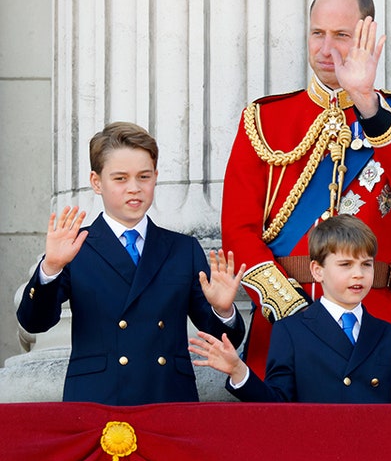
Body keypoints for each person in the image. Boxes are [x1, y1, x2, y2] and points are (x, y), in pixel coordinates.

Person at [222, 0, 391, 378]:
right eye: (317, 33)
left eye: (340, 36)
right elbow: (238, 230)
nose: (325, 49)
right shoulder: (264, 120)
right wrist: (289, 310)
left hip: (373, 319)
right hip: (283, 322)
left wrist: (367, 105)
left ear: (367, 37)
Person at [16, 122, 246, 405]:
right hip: (97, 401)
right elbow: (34, 322)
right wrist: (50, 268)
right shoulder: (75, 247)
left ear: (155, 177)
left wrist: (223, 311)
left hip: (168, 399)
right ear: (97, 182)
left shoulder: (183, 249)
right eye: (120, 178)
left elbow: (224, 342)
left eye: (144, 176)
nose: (134, 189)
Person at [191, 216, 391, 403]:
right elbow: (277, 405)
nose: (358, 275)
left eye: (366, 264)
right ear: (317, 270)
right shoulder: (291, 330)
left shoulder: (387, 334)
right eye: (345, 265)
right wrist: (239, 371)